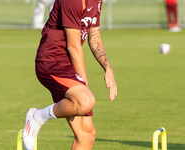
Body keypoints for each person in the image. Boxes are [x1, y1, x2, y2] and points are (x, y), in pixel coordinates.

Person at [22, 0, 117, 150]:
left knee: (86, 135)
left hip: (68, 64)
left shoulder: (98, 1)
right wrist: (84, 85)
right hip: (51, 61)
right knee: (85, 101)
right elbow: (73, 47)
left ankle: (38, 117)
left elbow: (95, 36)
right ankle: (37, 117)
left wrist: (108, 69)